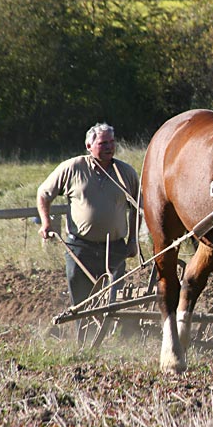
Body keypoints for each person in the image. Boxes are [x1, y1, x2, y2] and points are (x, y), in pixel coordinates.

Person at [37, 123, 139, 344]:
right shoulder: (72, 167)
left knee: (111, 295)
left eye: (112, 142)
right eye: (103, 143)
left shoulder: (126, 173)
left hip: (114, 247)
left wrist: (133, 240)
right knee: (80, 292)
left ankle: (111, 337)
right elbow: (44, 193)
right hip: (79, 247)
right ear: (89, 145)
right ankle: (83, 339)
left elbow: (136, 208)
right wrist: (46, 223)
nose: (109, 147)